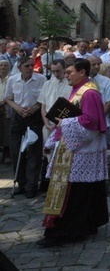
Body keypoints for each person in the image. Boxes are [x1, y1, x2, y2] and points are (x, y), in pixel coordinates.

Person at [38, 58, 108, 248]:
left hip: (80, 151)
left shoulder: (90, 92)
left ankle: (66, 231)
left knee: (74, 193)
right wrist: (53, 140)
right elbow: (71, 117)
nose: (66, 75)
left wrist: (64, 124)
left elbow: (90, 122)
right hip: (72, 148)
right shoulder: (78, 90)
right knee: (77, 192)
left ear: (82, 73)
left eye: (69, 72)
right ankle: (79, 228)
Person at [5, 56, 46, 197]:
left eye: (31, 66)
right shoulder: (12, 80)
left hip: (34, 117)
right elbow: (8, 98)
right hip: (18, 116)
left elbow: (43, 99)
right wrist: (17, 108)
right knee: (17, 151)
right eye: (27, 66)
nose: (30, 69)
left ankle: (32, 185)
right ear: (20, 67)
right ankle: (21, 183)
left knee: (34, 151)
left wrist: (35, 107)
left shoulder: (41, 79)